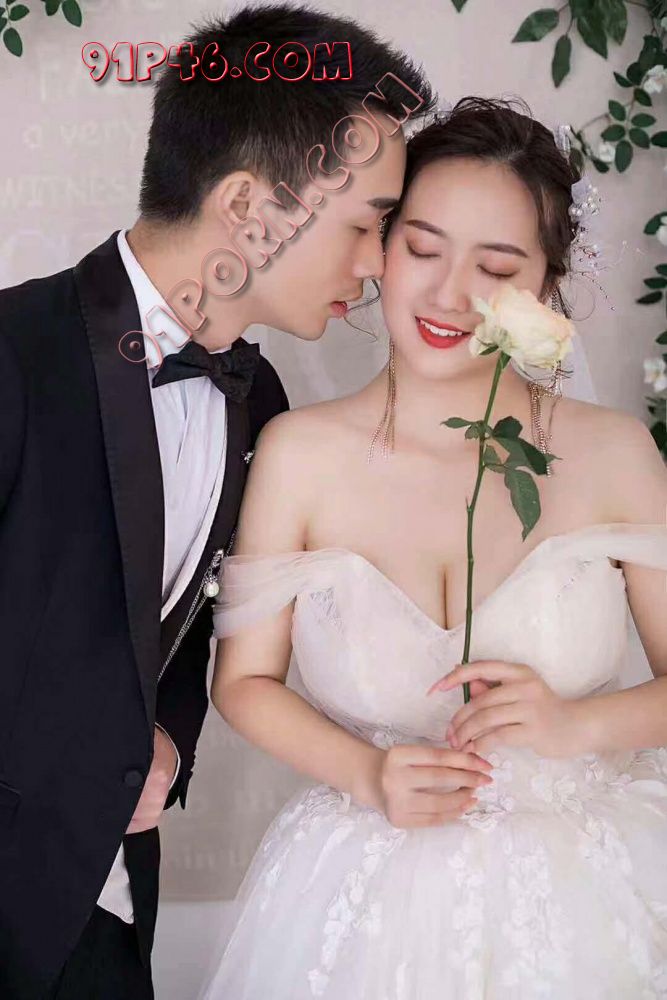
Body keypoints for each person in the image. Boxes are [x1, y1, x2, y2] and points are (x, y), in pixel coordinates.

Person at [0, 5, 434, 997]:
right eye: (366, 222)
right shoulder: (13, 355)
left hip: (108, 904)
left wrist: (165, 737)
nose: (378, 266)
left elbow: (189, 625)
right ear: (248, 205)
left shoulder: (261, 398)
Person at [204, 98, 667, 997]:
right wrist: (367, 772)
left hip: (590, 890)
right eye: (421, 249)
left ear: (547, 283)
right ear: (377, 246)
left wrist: (577, 726)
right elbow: (244, 682)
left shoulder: (615, 453)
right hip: (362, 891)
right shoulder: (298, 453)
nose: (450, 295)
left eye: (495, 267)